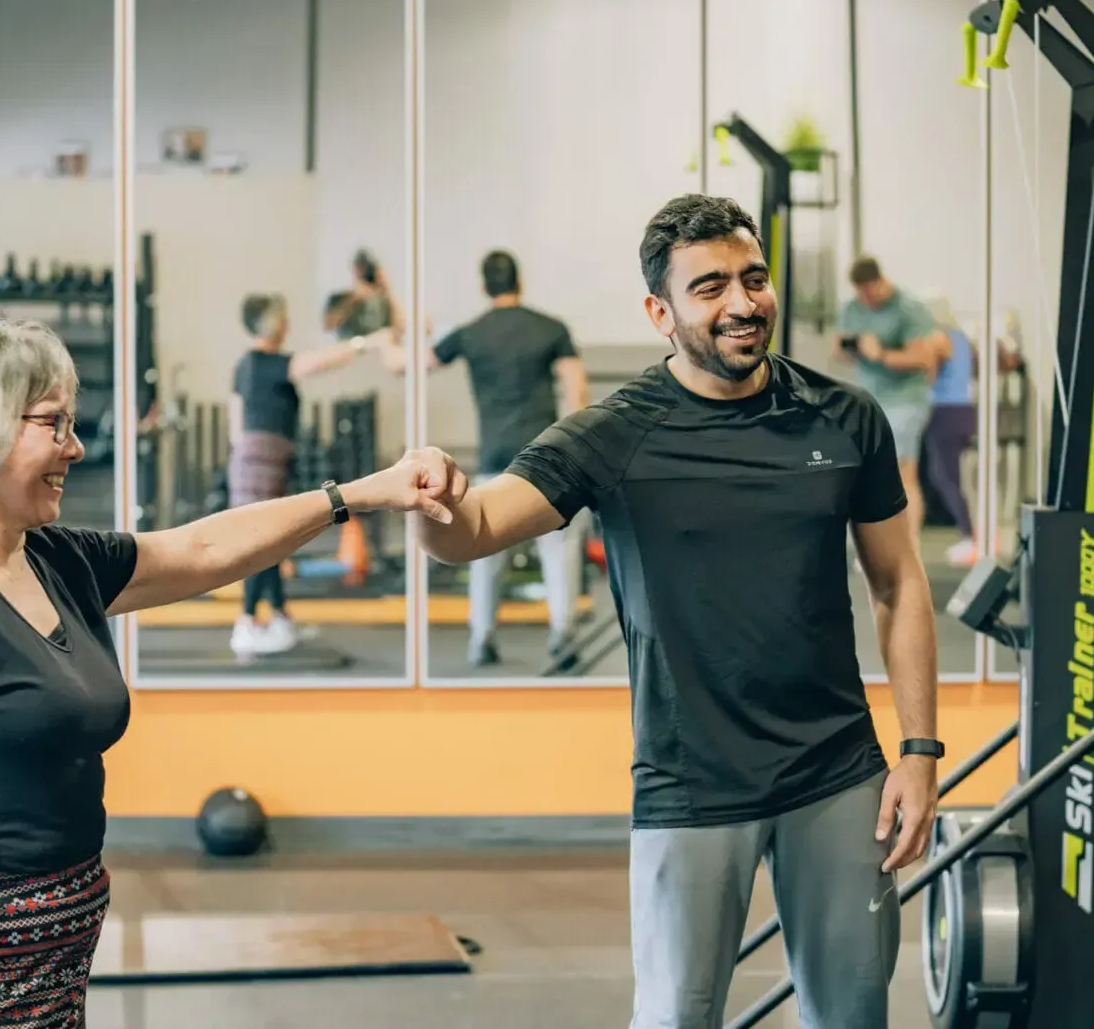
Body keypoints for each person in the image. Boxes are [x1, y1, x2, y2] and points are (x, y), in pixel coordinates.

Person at [405, 195, 940, 1028]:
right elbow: (473, 531)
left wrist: (918, 752)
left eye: (753, 278)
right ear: (660, 313)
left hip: (838, 775)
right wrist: (431, 500)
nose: (742, 303)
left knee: (854, 1016)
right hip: (691, 786)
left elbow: (899, 583)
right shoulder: (615, 434)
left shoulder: (844, 418)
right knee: (674, 1019)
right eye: (711, 287)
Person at [0, 318, 453, 1029]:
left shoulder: (55, 560)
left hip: (61, 947)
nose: (75, 445)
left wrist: (360, 495)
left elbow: (205, 547)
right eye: (53, 423)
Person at [384, 249, 589, 667]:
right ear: (520, 282)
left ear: (483, 286)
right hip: (545, 457)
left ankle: (482, 637)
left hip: (497, 458)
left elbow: (407, 365)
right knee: (559, 548)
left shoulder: (471, 333)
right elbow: (577, 390)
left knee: (484, 549)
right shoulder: (550, 328)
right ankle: (563, 633)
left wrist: (385, 338)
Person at [227, 292, 391, 657]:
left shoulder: (246, 366)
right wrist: (366, 343)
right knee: (261, 544)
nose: (287, 325)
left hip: (258, 460)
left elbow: (234, 422)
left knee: (271, 541)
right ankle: (248, 622)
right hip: (259, 462)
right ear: (269, 323)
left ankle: (280, 617)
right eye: (282, 318)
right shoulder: (262, 362)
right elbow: (316, 363)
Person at [834, 255, 941, 540]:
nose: (866, 299)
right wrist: (856, 346)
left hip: (906, 399)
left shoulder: (908, 308)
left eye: (870, 291)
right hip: (869, 400)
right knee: (865, 476)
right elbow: (838, 349)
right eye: (861, 293)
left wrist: (880, 354)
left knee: (903, 474)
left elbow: (924, 357)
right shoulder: (853, 308)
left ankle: (910, 546)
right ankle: (877, 548)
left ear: (879, 282)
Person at [924, 293, 979, 565]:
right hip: (965, 410)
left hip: (944, 411)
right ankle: (970, 535)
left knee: (945, 476)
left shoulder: (938, 338)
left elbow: (928, 375)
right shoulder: (963, 338)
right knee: (950, 475)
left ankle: (969, 536)